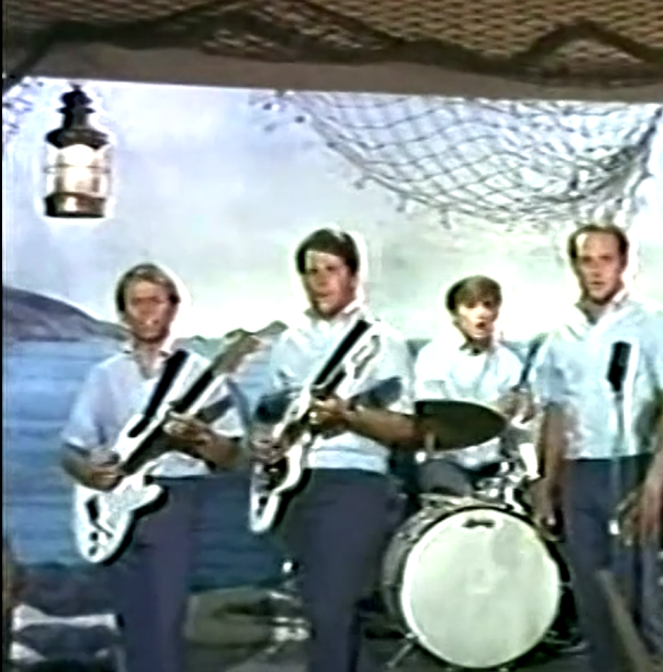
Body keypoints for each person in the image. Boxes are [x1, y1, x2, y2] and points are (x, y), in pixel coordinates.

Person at [59, 263, 245, 672]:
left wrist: (199, 438)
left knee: (164, 624)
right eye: (136, 302)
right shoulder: (104, 376)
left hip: (174, 501)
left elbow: (233, 457)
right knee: (131, 624)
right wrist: (89, 474)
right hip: (113, 506)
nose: (146, 311)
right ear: (122, 313)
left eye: (155, 301)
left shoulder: (200, 374)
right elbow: (71, 450)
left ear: (173, 308)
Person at [249, 227, 417, 672]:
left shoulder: (382, 343)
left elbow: (404, 427)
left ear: (354, 277)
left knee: (332, 608)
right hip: (293, 487)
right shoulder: (289, 342)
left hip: (354, 482)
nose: (321, 281)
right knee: (325, 611)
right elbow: (267, 414)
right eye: (311, 272)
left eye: (331, 270)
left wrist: (348, 415)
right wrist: (263, 442)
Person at [532, 223, 663, 672]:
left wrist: (656, 482)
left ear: (623, 264)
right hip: (580, 472)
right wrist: (547, 483)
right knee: (593, 590)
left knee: (641, 591)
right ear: (574, 267)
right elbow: (555, 413)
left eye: (606, 260)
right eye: (587, 261)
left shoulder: (653, 322)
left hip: (634, 465)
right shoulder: (559, 334)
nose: (597, 270)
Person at [413, 275, 534, 496]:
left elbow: (518, 428)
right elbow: (433, 418)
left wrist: (522, 411)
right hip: (446, 461)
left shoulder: (509, 361)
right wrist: (489, 413)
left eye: (488, 305)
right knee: (460, 502)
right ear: (455, 313)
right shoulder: (433, 357)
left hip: (494, 465)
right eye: (470, 306)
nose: (481, 313)